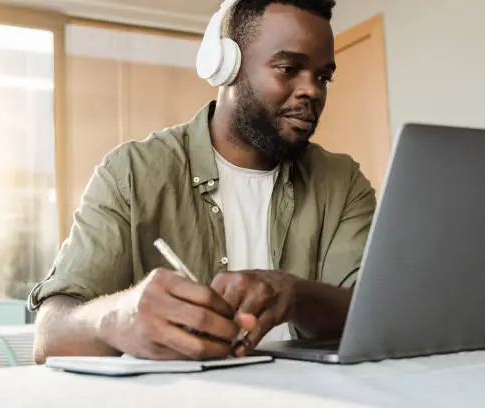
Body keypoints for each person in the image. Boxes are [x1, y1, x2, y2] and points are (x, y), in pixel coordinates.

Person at [28, 0, 376, 363]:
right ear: (227, 68)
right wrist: (118, 316)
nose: (313, 91)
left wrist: (295, 294)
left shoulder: (342, 181)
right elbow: (50, 338)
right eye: (288, 68)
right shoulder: (132, 171)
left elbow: (373, 312)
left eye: (323, 77)